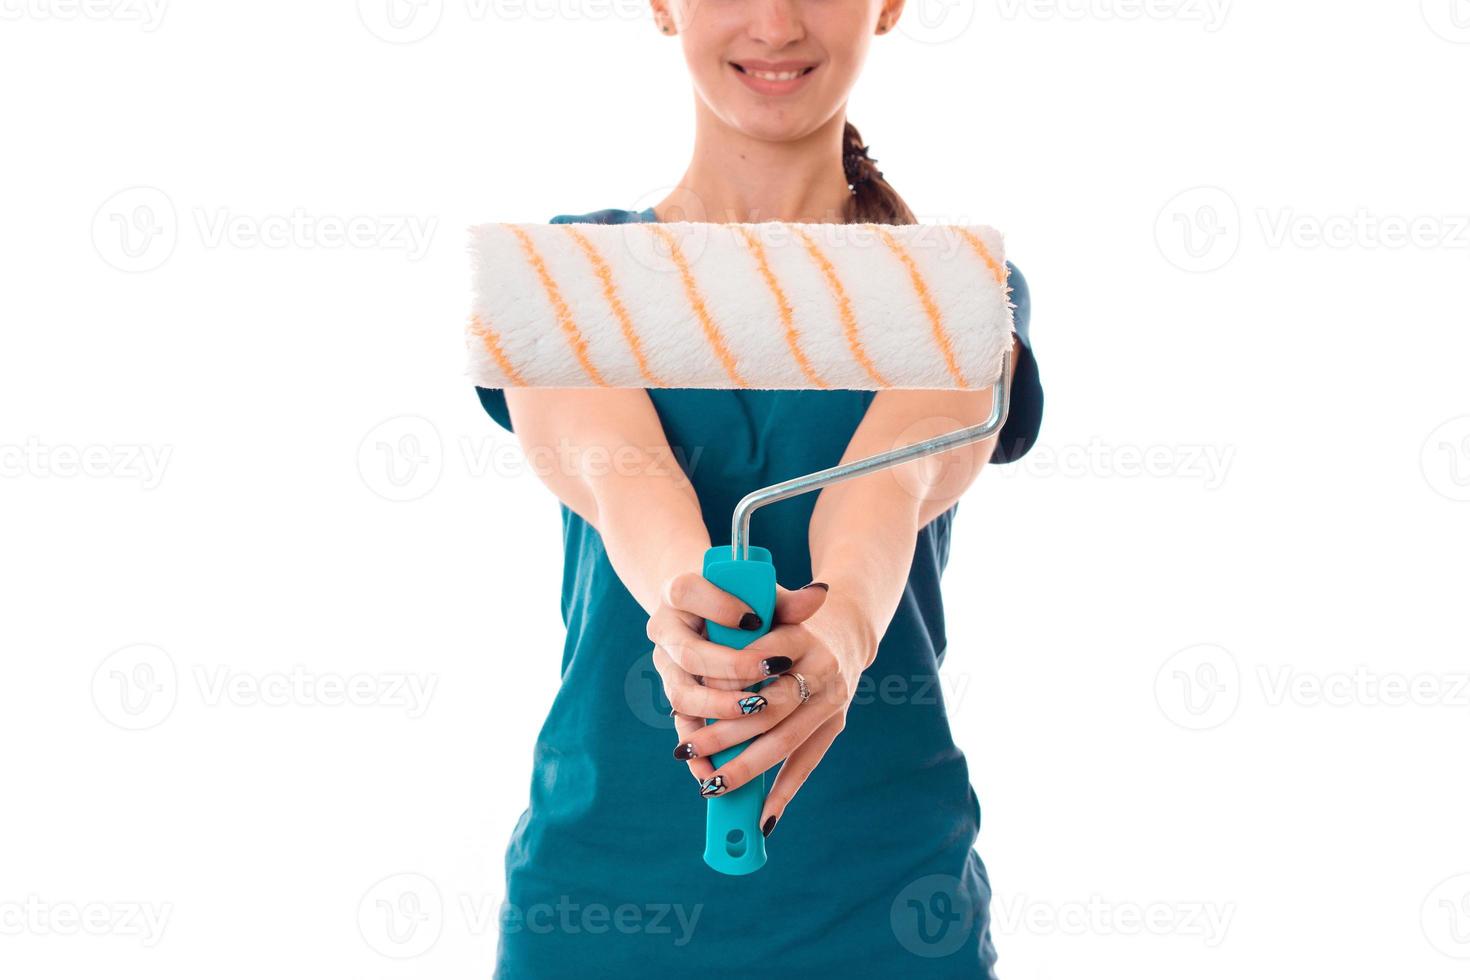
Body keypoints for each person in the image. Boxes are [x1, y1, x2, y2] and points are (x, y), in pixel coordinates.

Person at [474, 2, 1044, 975]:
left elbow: (893, 476)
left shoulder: (956, 289)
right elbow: (618, 472)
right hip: (597, 914)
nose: (775, 21)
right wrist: (685, 610)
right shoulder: (563, 277)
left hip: (891, 912)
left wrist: (843, 630)